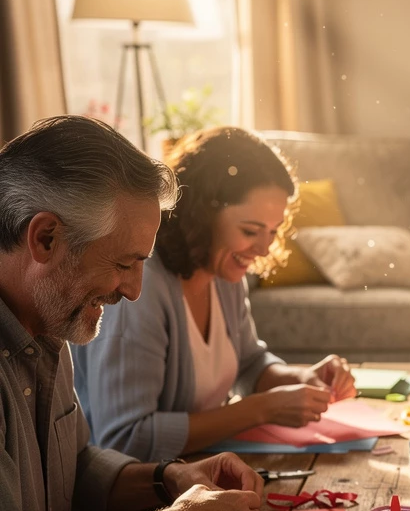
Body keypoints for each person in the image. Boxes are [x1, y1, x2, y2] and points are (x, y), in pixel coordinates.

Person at [0, 116, 264, 511]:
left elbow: (74, 468)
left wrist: (169, 478)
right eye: (124, 263)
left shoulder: (49, 324)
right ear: (45, 237)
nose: (136, 291)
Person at [72, 126, 356, 462]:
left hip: (200, 475)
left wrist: (300, 378)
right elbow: (124, 439)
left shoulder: (222, 272)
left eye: (273, 232)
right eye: (250, 231)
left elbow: (249, 364)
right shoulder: (139, 290)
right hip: (139, 508)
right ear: (202, 216)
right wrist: (260, 410)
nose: (265, 249)